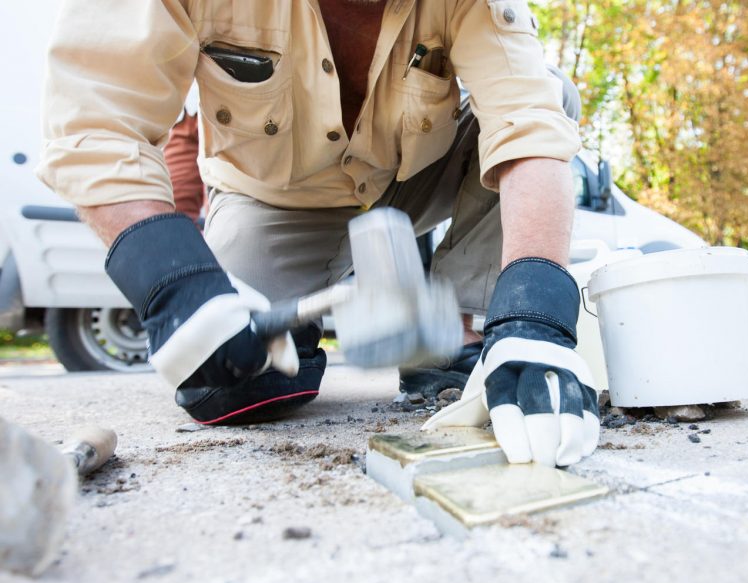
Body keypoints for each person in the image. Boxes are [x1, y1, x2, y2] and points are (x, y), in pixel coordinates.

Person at [38, 0, 599, 468]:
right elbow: (97, 121)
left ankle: (463, 335)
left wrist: (535, 318)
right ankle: (291, 336)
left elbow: (527, 124)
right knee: (226, 383)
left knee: (554, 91)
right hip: (276, 201)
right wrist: (173, 283)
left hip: (412, 181)